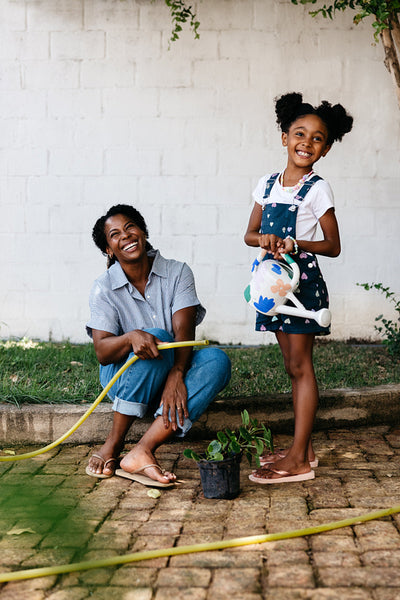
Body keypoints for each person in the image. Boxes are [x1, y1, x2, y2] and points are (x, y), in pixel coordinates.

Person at [244, 92, 353, 484]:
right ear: (284, 137)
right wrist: (264, 240)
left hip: (302, 285)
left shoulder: (318, 189)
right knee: (291, 365)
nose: (306, 142)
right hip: (272, 283)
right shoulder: (266, 184)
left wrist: (296, 243)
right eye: (299, 134)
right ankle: (303, 447)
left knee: (302, 366)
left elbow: (333, 246)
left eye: (317, 138)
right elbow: (249, 233)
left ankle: (299, 461)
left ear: (324, 150)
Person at [85, 204, 231, 487]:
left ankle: (142, 451)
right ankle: (113, 445)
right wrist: (131, 337)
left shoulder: (177, 272)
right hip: (124, 377)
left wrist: (177, 374)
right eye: (115, 234)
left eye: (130, 227)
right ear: (108, 250)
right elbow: (102, 352)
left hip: (174, 369)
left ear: (143, 231)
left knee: (216, 361)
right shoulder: (103, 287)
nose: (125, 236)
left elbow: (183, 332)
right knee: (154, 335)